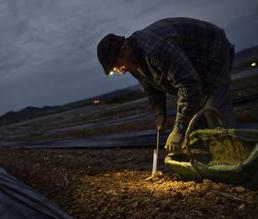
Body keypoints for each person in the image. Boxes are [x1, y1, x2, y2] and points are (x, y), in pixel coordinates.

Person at [97, 17, 235, 152]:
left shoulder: (156, 48)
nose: (121, 71)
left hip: (211, 52)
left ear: (125, 48)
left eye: (118, 66)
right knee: (194, 117)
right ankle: (207, 159)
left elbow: (189, 84)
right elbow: (151, 89)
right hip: (191, 69)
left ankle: (234, 155)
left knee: (212, 110)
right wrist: (160, 113)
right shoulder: (133, 62)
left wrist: (179, 129)